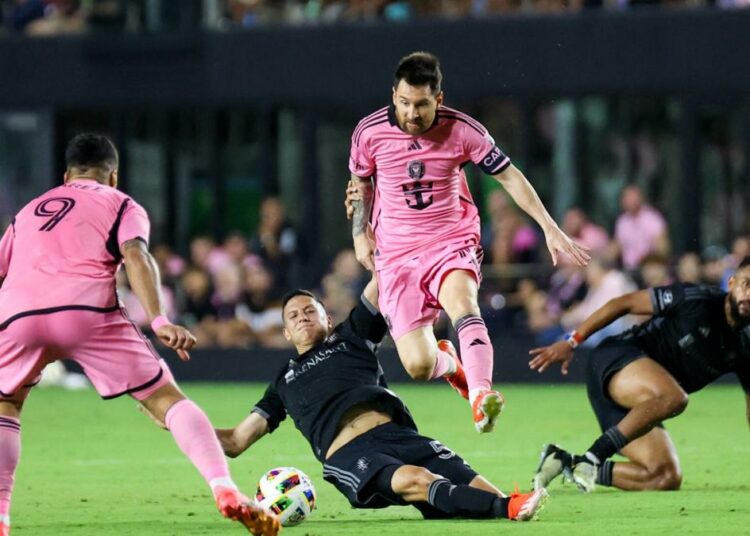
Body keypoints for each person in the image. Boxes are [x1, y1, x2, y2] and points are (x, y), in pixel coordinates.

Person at [0, 134, 279, 536]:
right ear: (113, 176)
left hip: (18, 314)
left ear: (65, 176)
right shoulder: (121, 203)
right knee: (168, 400)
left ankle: (3, 517)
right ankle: (225, 490)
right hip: (85, 311)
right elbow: (135, 254)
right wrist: (160, 320)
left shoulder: (27, 211)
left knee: (6, 406)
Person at [347, 51, 590, 433]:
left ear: (439, 99)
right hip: (396, 255)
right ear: (394, 95)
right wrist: (360, 235)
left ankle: (481, 395)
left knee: (462, 303)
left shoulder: (463, 131)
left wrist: (548, 225)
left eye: (422, 105)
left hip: (450, 239)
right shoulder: (369, 132)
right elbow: (360, 184)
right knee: (418, 365)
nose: (412, 113)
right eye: (405, 103)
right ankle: (451, 364)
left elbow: (509, 176)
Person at [212, 276, 549, 522]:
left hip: (400, 436)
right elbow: (237, 440)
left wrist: (378, 218)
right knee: (418, 479)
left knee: (476, 488)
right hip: (350, 455)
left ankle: (498, 504)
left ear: (326, 318)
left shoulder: (350, 336)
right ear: (286, 332)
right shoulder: (282, 382)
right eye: (293, 316)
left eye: (309, 311)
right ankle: (507, 507)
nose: (302, 317)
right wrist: (181, 422)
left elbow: (383, 276)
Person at [528, 257, 750, 493]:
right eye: (746, 283)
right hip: (616, 360)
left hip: (643, 405)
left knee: (665, 477)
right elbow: (622, 304)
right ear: (732, 282)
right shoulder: (696, 299)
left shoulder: (745, 347)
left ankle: (566, 462)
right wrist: (572, 341)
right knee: (675, 398)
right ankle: (594, 457)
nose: (749, 293)